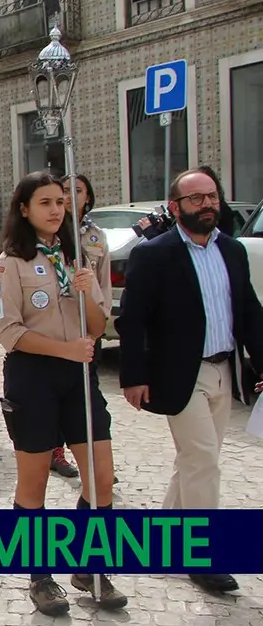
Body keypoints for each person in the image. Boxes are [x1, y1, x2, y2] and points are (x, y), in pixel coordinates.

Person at [116, 168, 263, 595]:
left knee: (195, 460)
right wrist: (133, 376)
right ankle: (203, 558)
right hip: (180, 374)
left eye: (212, 196)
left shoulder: (232, 251)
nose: (208, 205)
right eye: (196, 199)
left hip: (224, 370)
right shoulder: (154, 254)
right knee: (203, 460)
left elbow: (250, 313)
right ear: (176, 207)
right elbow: (134, 319)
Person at [0, 171, 126, 616]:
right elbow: (8, 331)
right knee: (34, 482)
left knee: (101, 477)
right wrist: (63, 349)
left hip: (79, 377)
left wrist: (88, 294)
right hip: (33, 377)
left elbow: (98, 325)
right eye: (45, 202)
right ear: (24, 209)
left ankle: (92, 566)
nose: (55, 209)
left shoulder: (76, 258)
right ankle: (40, 576)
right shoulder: (8, 263)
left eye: (60, 202)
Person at [47, 174, 108, 479]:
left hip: (89, 320)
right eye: (64, 191)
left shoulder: (96, 235)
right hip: (61, 326)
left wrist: (101, 319)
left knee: (88, 393)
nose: (70, 196)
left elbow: (104, 282)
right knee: (59, 391)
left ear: (88, 197)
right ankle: (56, 451)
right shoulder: (54, 232)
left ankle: (93, 457)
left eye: (77, 190)